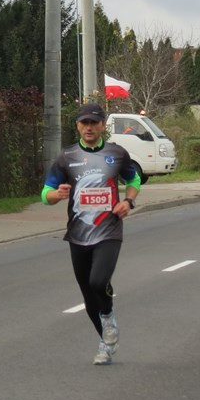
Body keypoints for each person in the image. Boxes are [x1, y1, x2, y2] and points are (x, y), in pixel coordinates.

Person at [42, 103, 140, 366]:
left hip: (109, 229)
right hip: (77, 233)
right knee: (87, 293)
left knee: (98, 282)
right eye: (84, 123)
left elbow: (134, 180)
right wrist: (56, 195)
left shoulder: (117, 154)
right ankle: (105, 342)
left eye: (94, 123)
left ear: (102, 126)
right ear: (77, 126)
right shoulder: (67, 157)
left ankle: (108, 315)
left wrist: (128, 202)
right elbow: (45, 194)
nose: (88, 127)